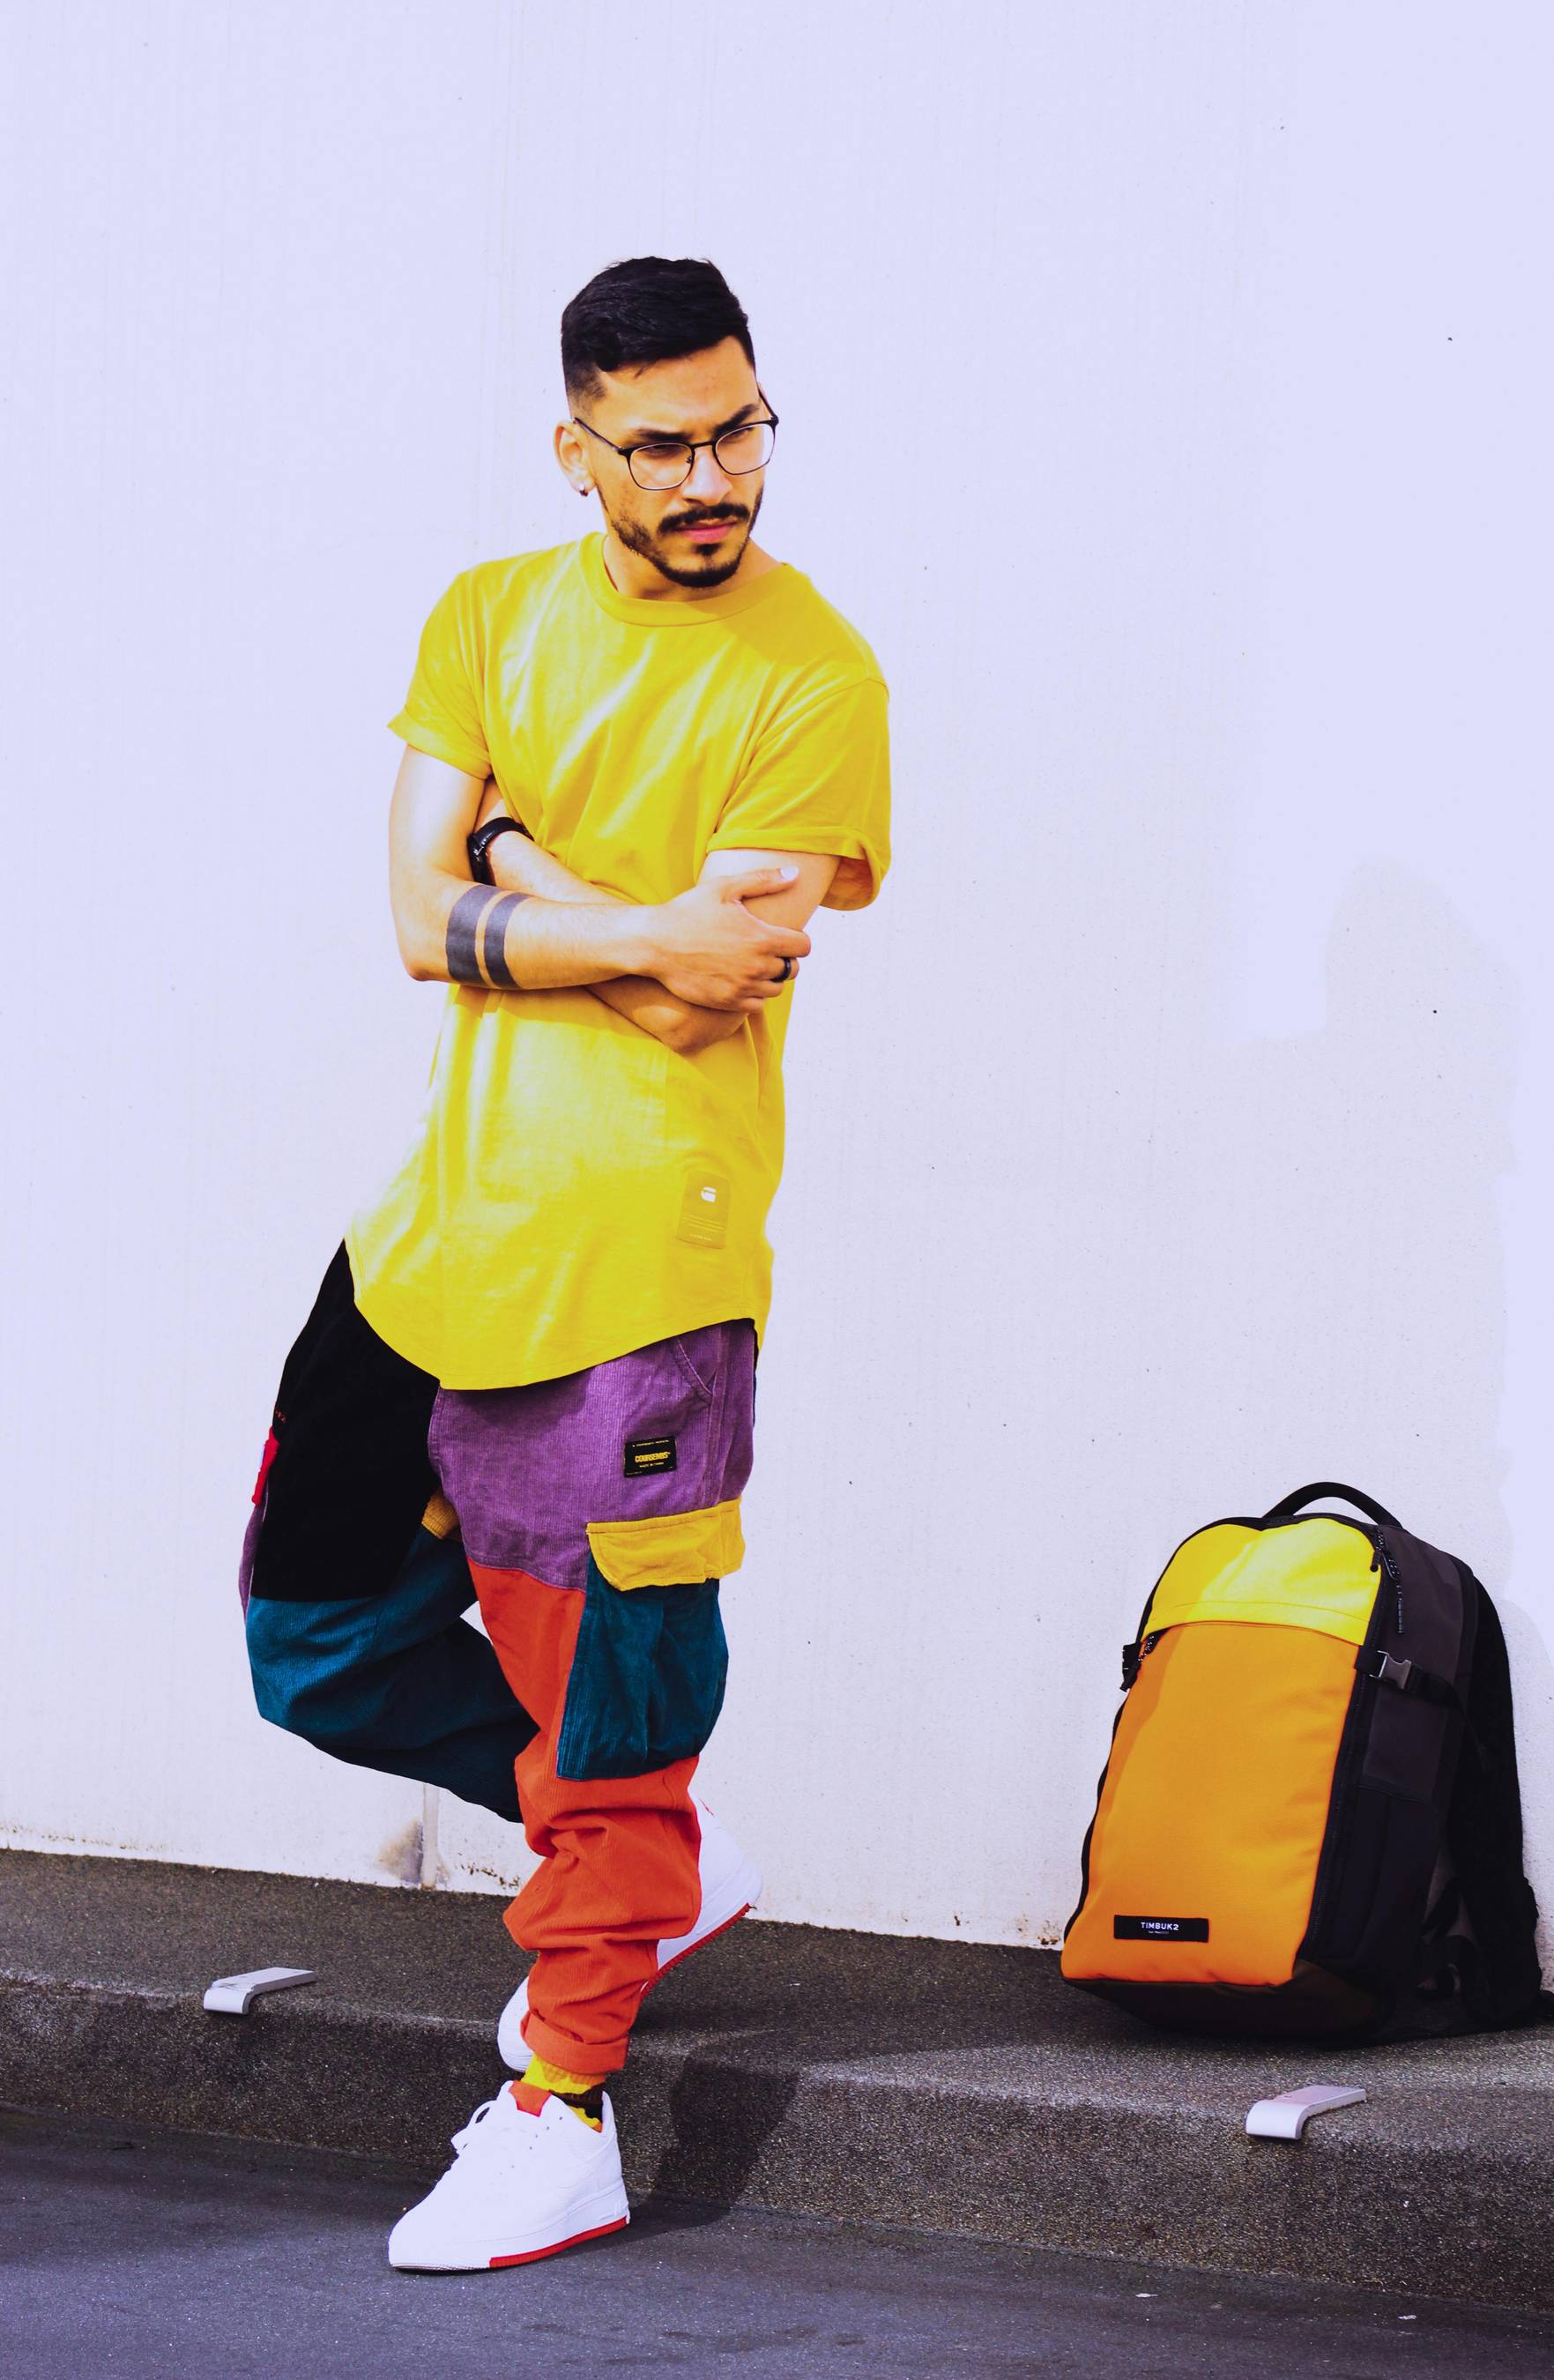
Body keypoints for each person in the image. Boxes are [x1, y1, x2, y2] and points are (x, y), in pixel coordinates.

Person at [238, 253, 892, 2272]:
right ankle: (644, 1870)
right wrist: (571, 903)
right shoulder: (488, 615)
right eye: (668, 442)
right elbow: (411, 917)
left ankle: (567, 2103)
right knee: (317, 1643)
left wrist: (514, 862)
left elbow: (705, 1000)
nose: (717, 476)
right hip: (439, 1231)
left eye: (743, 427)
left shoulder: (815, 682)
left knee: (612, 1725)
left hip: (641, 1275)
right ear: (578, 447)